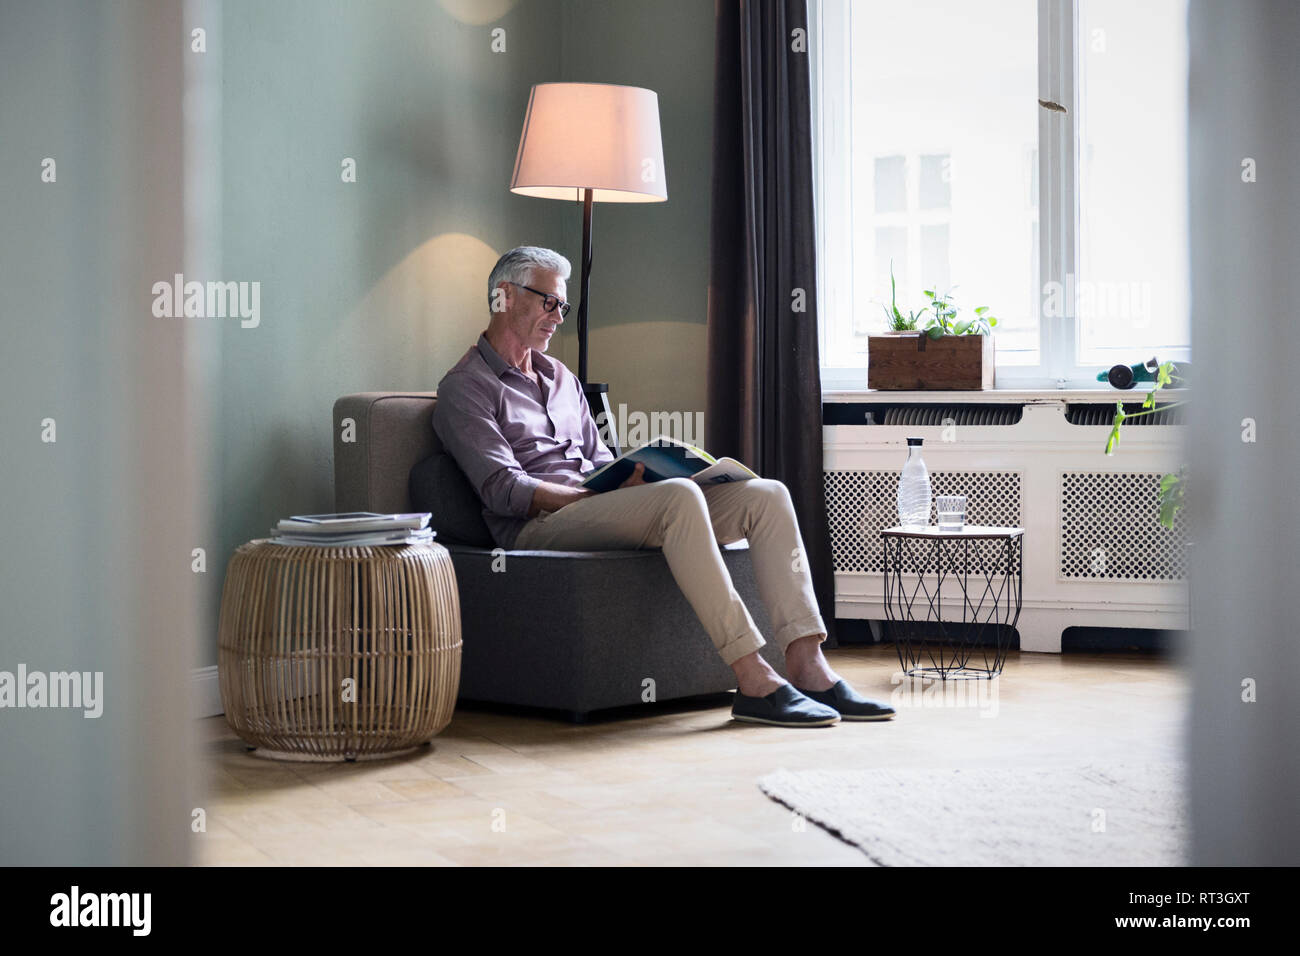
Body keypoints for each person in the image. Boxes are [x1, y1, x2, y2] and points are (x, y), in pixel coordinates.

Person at [433, 246, 895, 727]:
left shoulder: (561, 378)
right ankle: (753, 676)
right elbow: (503, 489)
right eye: (548, 302)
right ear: (504, 297)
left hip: (596, 506)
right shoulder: (466, 387)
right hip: (538, 527)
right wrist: (597, 496)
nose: (558, 316)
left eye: (562, 307)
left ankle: (808, 666)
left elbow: (600, 461)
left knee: (767, 495)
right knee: (677, 499)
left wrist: (633, 477)